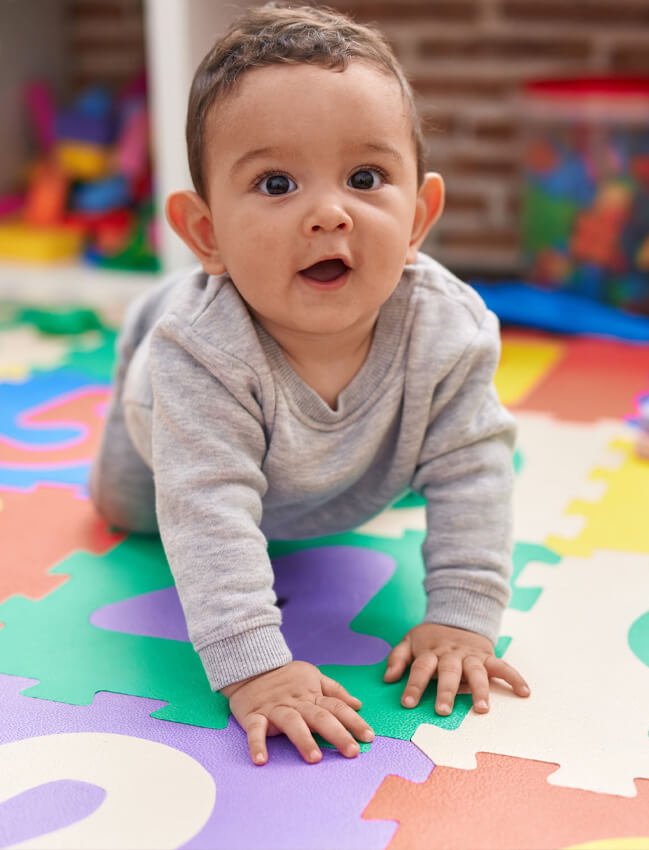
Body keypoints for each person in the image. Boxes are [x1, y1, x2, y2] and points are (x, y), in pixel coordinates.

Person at [89, 2, 528, 767]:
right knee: (132, 514)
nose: (329, 213)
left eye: (365, 177)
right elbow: (207, 512)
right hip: (169, 426)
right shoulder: (198, 354)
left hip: (339, 468)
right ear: (207, 234)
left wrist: (463, 616)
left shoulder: (449, 331)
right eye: (276, 182)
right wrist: (256, 667)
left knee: (429, 465)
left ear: (420, 214)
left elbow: (473, 472)